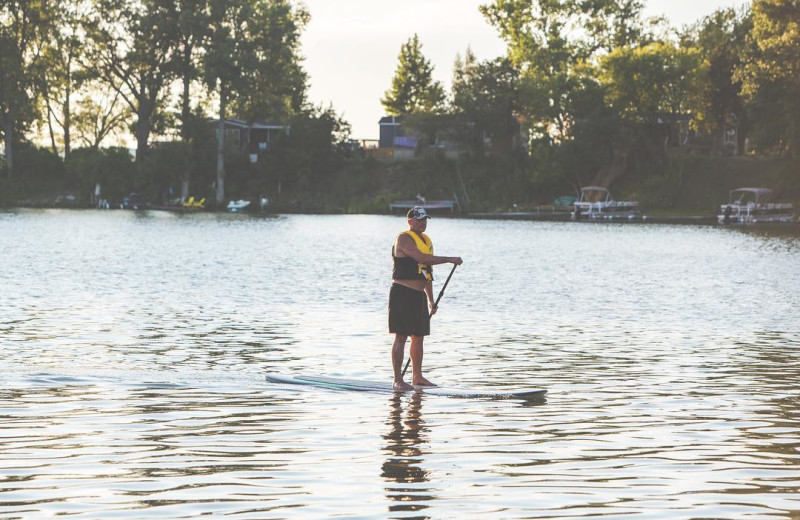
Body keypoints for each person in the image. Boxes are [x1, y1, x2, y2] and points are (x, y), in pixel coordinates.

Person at [389, 206, 463, 391]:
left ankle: (417, 376)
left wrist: (431, 300)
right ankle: (398, 380)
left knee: (419, 337)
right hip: (403, 293)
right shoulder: (403, 238)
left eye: (425, 220)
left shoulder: (426, 240)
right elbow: (421, 258)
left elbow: (427, 272)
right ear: (410, 221)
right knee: (401, 337)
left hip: (419, 296)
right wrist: (449, 259)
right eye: (419, 219)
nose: (423, 223)